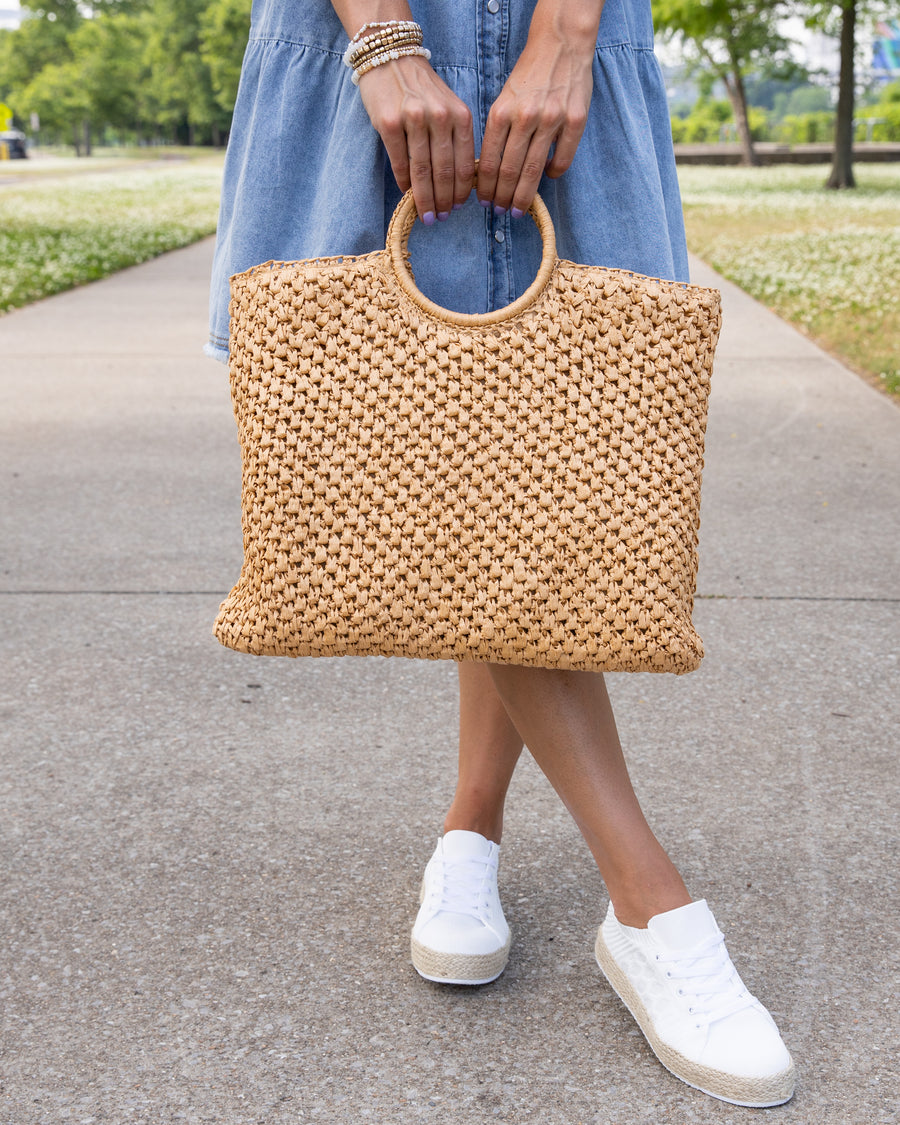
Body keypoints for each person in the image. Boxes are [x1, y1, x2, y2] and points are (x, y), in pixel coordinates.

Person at [207, 0, 795, 1108]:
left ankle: (469, 838)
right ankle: (647, 902)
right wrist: (383, 35)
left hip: (563, 55)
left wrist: (567, 34)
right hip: (365, 49)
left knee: (516, 470)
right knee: (475, 464)